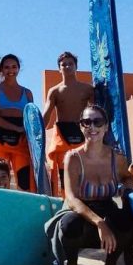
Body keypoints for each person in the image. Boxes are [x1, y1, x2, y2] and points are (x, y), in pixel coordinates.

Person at [53, 105, 133, 265]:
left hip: (106, 205)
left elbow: (126, 176)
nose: (92, 127)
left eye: (97, 121)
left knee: (127, 222)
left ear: (106, 126)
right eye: (86, 122)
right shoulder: (73, 158)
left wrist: (129, 186)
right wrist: (100, 223)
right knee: (69, 225)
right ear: (80, 126)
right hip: (79, 209)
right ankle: (72, 264)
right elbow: (71, 198)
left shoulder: (117, 158)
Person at [41, 51, 94, 195]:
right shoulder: (55, 91)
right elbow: (46, 116)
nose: (67, 66)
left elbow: (96, 112)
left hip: (82, 134)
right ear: (59, 69)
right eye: (64, 64)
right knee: (65, 175)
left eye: (71, 64)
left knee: (84, 172)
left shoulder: (87, 89)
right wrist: (36, 129)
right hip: (63, 137)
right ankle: (67, 202)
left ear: (76, 66)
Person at [0, 53, 34, 191]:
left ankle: (23, 210)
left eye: (14, 67)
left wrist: (23, 131)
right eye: (7, 67)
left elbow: (31, 118)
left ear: (18, 68)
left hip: (21, 142)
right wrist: (14, 128)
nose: (10, 70)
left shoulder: (27, 93)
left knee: (25, 182)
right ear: (2, 69)